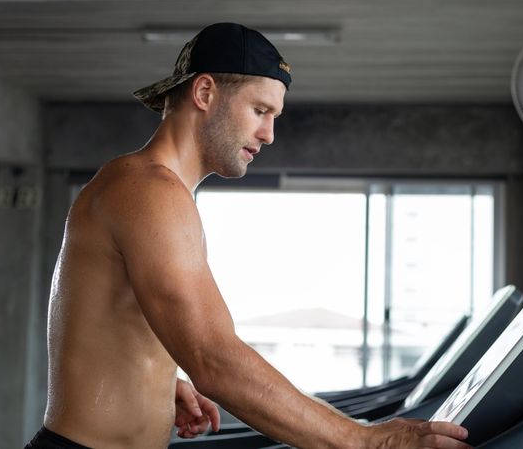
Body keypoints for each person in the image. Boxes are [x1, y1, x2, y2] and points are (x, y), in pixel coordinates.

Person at [26, 22, 472, 449]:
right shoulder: (147, 190)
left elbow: (111, 321)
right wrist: (366, 440)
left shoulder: (153, 191)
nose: (269, 134)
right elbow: (215, 360)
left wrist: (160, 381)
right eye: (260, 110)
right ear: (204, 92)